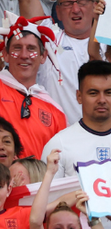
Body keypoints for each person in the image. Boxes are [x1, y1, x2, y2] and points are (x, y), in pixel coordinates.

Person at [41, 61, 111, 180]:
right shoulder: (58, 145)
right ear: (79, 96)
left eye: (109, 93)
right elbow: (46, 197)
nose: (102, 100)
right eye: (93, 93)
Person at [0, 21, 67, 158]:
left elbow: (62, 159)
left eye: (31, 48)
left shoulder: (56, 111)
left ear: (43, 56)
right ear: (5, 54)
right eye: (17, 48)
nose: (24, 55)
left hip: (42, 179)